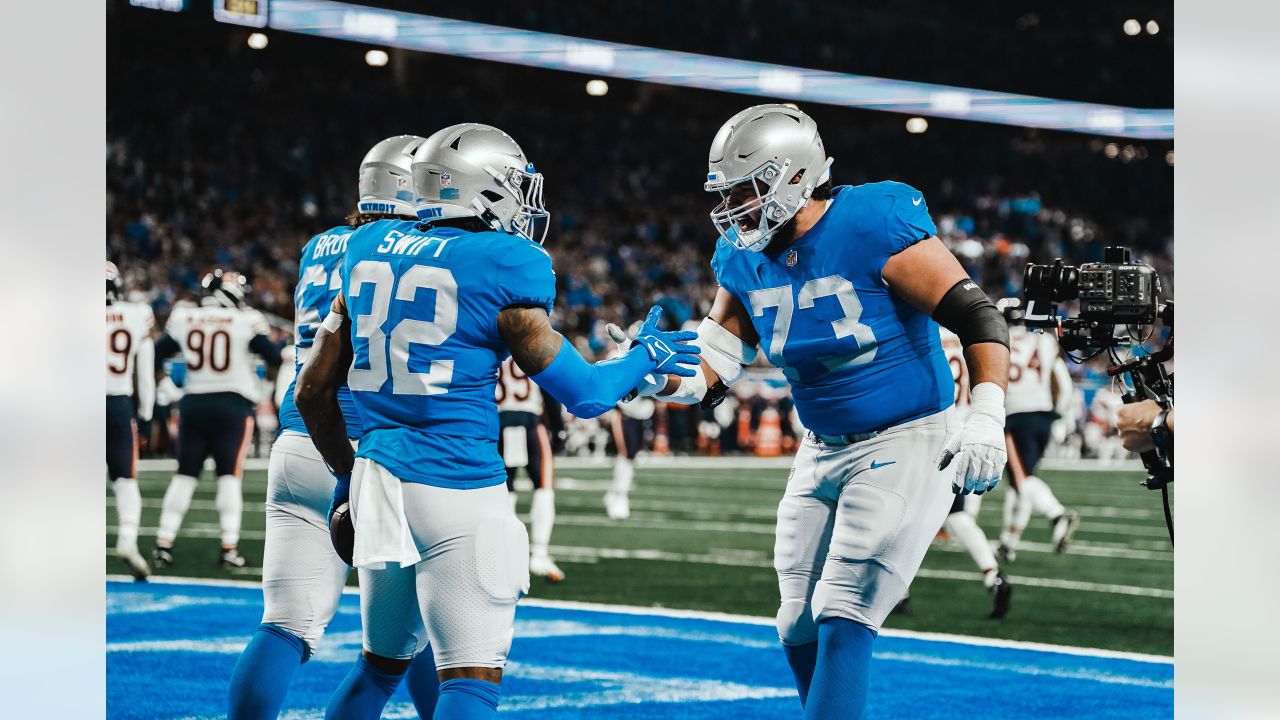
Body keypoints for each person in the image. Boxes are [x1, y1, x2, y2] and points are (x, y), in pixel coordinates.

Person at [295, 122, 700, 719]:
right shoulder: (503, 262)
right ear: (477, 188)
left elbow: (311, 393)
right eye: (514, 184)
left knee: (379, 670)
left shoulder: (365, 247)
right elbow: (586, 395)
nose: (526, 200)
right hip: (458, 482)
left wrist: (349, 477)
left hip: (379, 478)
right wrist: (643, 357)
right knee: (470, 681)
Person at [634, 104, 1010, 718]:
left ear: (796, 175)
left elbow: (979, 316)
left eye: (749, 191)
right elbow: (713, 368)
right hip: (823, 443)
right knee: (795, 623)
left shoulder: (870, 222)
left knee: (844, 609)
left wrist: (987, 412)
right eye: (730, 194)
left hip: (907, 436)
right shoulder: (742, 257)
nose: (737, 209)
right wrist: (652, 380)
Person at [227, 136, 439, 720]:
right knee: (418, 628)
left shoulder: (320, 245)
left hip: (299, 441)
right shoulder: (417, 249)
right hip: (372, 451)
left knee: (286, 624)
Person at [152, 269, 283, 569]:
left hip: (193, 403)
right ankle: (228, 548)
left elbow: (154, 354)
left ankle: (163, 544)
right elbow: (274, 357)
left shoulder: (186, 317)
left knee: (184, 475)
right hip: (231, 406)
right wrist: (263, 389)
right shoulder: (246, 320)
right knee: (228, 478)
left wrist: (169, 389)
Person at [996, 301, 1080, 561]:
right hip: (1044, 416)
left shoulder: (999, 342)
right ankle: (1009, 542)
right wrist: (1061, 417)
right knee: (1022, 481)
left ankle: (1057, 514)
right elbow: (1065, 385)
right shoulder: (1044, 341)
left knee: (1023, 480)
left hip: (1015, 417)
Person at [106, 261, 156, 580]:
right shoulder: (136, 313)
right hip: (118, 403)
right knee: (125, 480)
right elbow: (146, 373)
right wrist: (148, 415)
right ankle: (127, 539)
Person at [495, 356, 565, 581]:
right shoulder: (529, 343)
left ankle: (505, 551)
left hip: (499, 423)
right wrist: (559, 428)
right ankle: (540, 553)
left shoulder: (489, 345)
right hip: (530, 423)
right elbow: (550, 387)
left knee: (505, 490)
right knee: (544, 487)